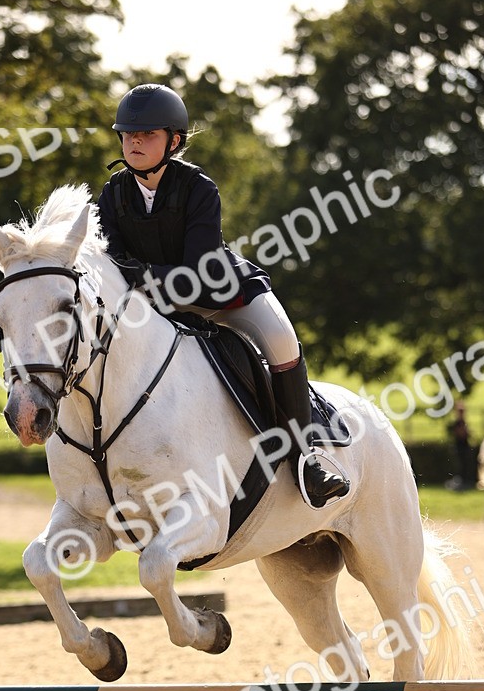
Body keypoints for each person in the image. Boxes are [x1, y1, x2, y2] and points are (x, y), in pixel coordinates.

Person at [96, 83, 349, 510]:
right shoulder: (113, 193)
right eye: (128, 134)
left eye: (148, 135)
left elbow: (196, 271)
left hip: (222, 294)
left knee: (284, 342)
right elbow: (109, 265)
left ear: (173, 141)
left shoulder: (198, 188)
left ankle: (308, 458)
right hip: (157, 304)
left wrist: (135, 275)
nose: (135, 142)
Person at [447, 401, 473, 489]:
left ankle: (465, 481)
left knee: (465, 465)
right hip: (458, 447)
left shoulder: (463, 422)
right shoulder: (457, 423)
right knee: (459, 465)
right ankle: (459, 481)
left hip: (464, 447)